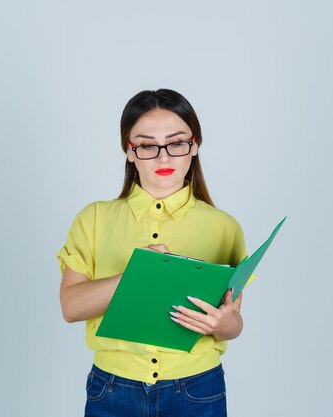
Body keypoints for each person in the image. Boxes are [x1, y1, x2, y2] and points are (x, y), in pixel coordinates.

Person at [57, 89, 251, 417]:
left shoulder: (224, 227)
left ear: (195, 145)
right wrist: (139, 273)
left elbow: (233, 322)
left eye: (176, 143)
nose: (163, 158)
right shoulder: (93, 218)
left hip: (197, 387)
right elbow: (71, 308)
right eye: (147, 145)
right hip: (113, 387)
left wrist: (224, 323)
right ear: (129, 151)